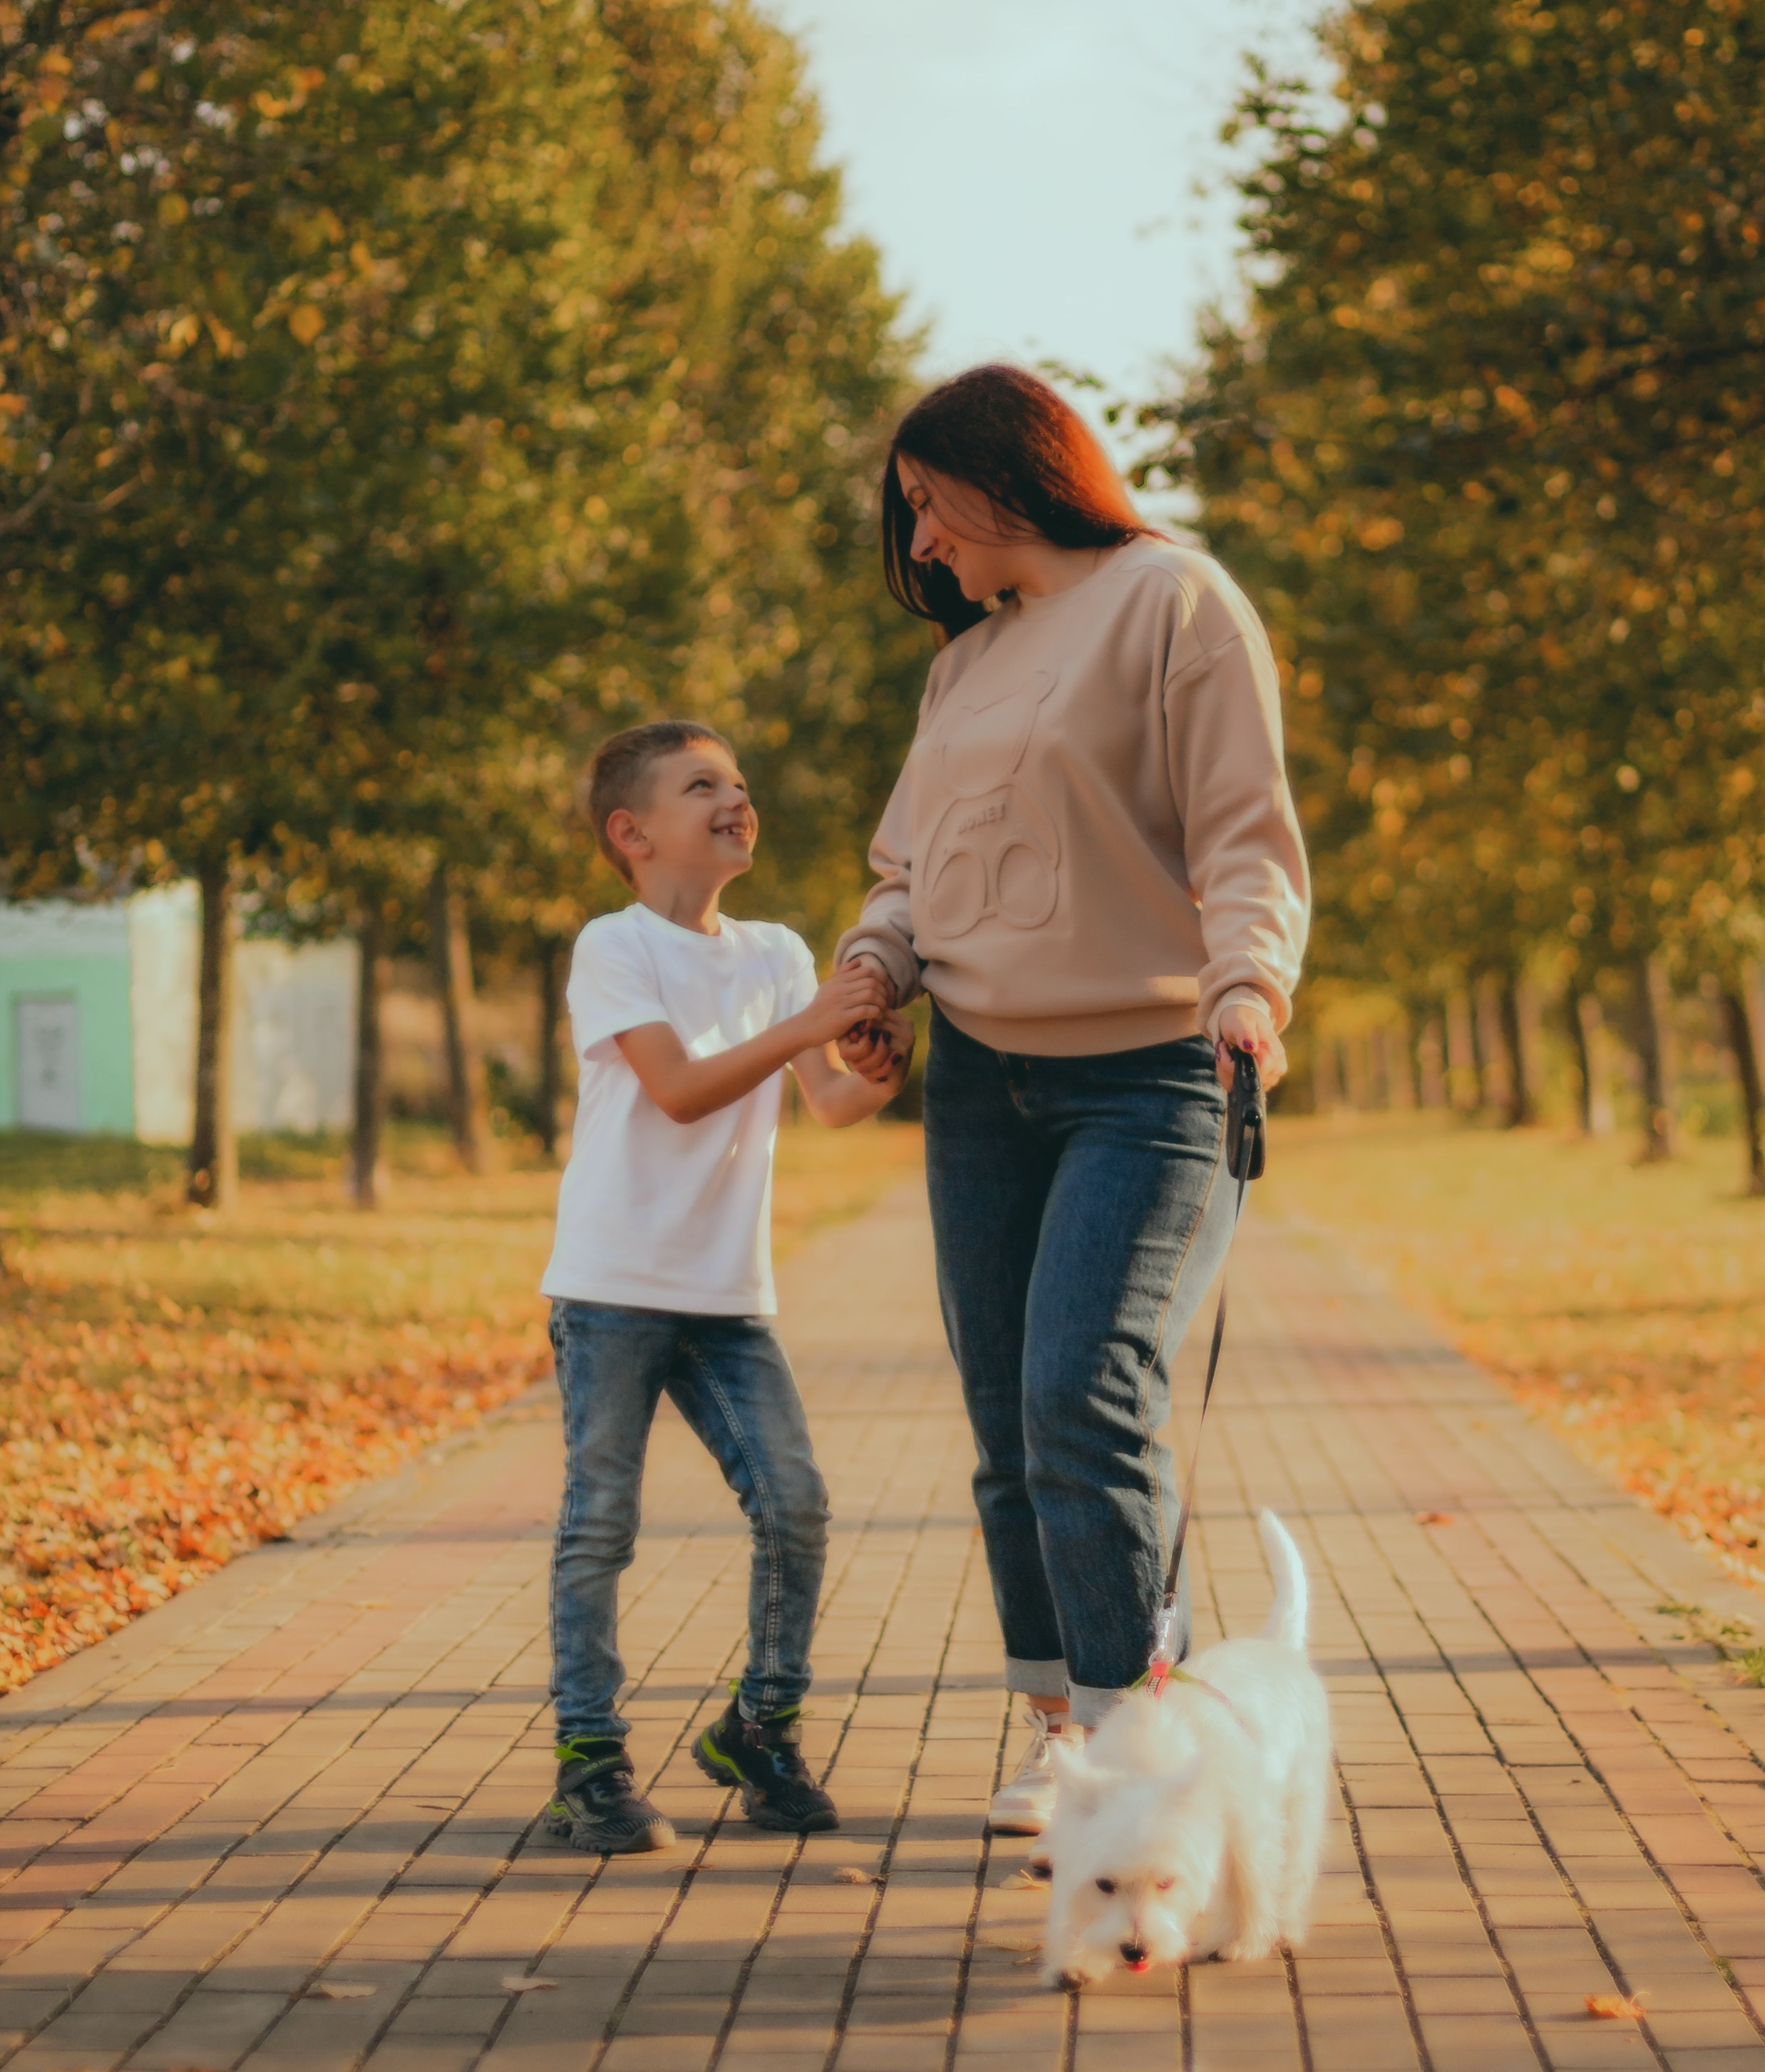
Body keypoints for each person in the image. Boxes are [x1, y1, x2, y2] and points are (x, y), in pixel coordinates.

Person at [838, 364, 1308, 1835]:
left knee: (1082, 1398)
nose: (922, 543)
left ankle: (1136, 1752)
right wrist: (871, 964)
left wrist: (1250, 984)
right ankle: (1064, 1733)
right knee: (1006, 1427)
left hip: (1154, 1071)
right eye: (911, 516)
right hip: (982, 1077)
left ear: (1008, 473)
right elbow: (912, 870)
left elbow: (1245, 833)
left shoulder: (1178, 602)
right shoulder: (965, 664)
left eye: (930, 505)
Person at [540, 718, 912, 1856]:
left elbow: (830, 1101)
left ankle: (761, 1729)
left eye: (740, 781)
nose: (735, 797)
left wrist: (878, 1071)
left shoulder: (778, 951)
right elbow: (680, 1090)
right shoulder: (614, 947)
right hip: (612, 1284)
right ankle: (589, 1764)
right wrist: (811, 1023)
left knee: (794, 1502)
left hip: (727, 1296)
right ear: (633, 832)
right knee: (601, 1523)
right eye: (702, 784)